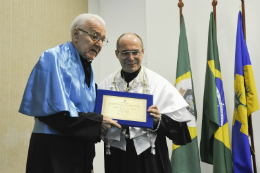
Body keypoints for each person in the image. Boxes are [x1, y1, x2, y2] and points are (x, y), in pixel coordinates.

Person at [19, 13, 121, 173]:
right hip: (53, 150)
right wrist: (98, 122)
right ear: (76, 34)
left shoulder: (86, 64)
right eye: (95, 36)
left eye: (102, 39)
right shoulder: (52, 57)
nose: (99, 44)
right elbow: (51, 112)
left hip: (79, 150)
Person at [98, 33, 192, 173]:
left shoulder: (159, 84)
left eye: (135, 52)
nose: (131, 58)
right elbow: (93, 127)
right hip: (117, 160)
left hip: (150, 160)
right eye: (125, 53)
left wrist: (158, 121)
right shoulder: (105, 85)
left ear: (143, 52)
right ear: (117, 54)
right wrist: (101, 124)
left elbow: (182, 132)